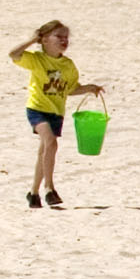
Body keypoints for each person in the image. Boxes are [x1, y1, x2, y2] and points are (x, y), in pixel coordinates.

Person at [11, 22, 102, 209]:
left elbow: (71, 89)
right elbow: (14, 54)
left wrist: (89, 88)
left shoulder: (68, 65)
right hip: (37, 109)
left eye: (66, 37)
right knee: (51, 142)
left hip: (56, 112)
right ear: (44, 40)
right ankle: (49, 188)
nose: (64, 40)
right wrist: (32, 40)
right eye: (58, 37)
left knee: (44, 151)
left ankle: (33, 193)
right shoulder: (37, 59)